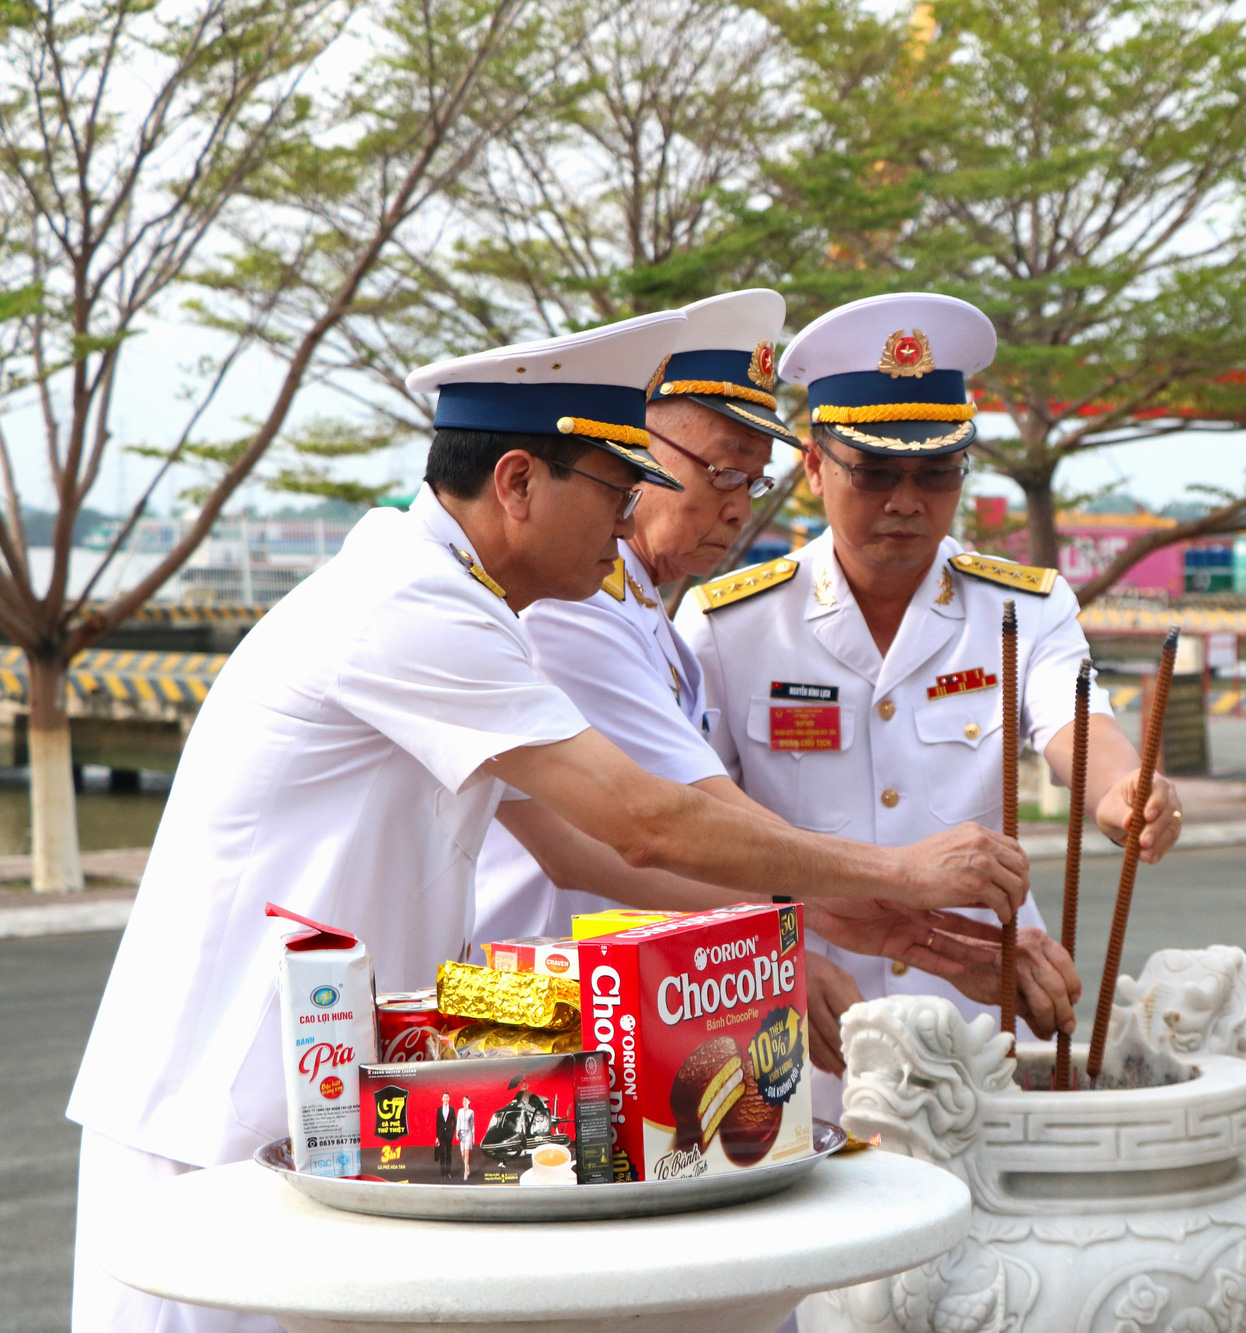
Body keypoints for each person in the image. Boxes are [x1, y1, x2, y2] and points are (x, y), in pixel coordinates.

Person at [68, 310, 1029, 1333]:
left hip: (322, 1114)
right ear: (518, 483)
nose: (624, 526)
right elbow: (645, 817)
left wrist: (821, 910)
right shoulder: (410, 606)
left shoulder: (469, 608)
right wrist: (894, 874)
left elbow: (584, 844)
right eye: (615, 493)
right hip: (214, 1112)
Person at [474, 291, 1079, 1070]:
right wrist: (894, 885)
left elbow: (672, 843)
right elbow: (661, 827)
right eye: (721, 472)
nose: (735, 509)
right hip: (541, 1009)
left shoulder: (643, 614)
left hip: (613, 1008)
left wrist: (864, 928)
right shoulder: (581, 611)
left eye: (749, 483)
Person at [678, 292, 1184, 1113]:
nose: (905, 501)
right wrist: (773, 946)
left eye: (935, 472)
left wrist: (1129, 792)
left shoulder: (1023, 608)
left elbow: (1076, 724)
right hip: (800, 1033)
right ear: (813, 466)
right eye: (874, 472)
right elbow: (691, 826)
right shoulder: (728, 624)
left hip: (979, 1031)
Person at [435, 1090, 455, 1179]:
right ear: (442, 1099)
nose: (446, 1099)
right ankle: (443, 1173)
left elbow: (455, 1122)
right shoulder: (439, 1109)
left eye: (447, 1097)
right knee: (442, 1154)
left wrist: (452, 1132)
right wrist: (437, 1137)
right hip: (441, 1135)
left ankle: (448, 1173)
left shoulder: (452, 1109)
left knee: (449, 1154)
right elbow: (437, 1123)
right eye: (444, 1097)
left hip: (449, 1135)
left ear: (449, 1099)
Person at [456, 1096, 476, 1182]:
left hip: (468, 1133)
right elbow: (458, 1123)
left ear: (469, 1101)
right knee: (463, 1154)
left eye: (465, 1100)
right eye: (463, 1100)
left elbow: (472, 1124)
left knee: (467, 1152)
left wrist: (473, 1136)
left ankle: (465, 1172)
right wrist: (457, 1133)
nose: (464, 1101)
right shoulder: (460, 1111)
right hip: (462, 1134)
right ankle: (467, 1166)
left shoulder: (471, 1112)